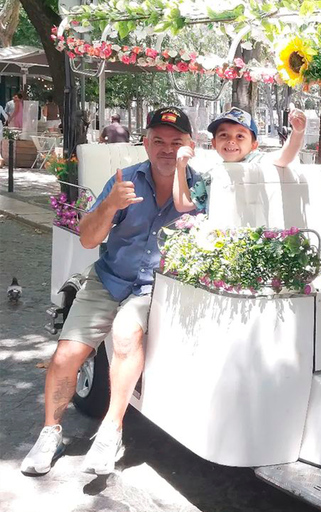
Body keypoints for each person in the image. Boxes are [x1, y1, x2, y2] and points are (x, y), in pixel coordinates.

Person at [20, 107, 202, 477]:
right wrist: (110, 204)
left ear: (189, 146)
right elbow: (88, 238)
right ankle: (50, 432)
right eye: (159, 141)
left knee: (125, 334)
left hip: (155, 289)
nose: (167, 149)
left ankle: (111, 430)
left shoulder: (198, 186)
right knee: (66, 354)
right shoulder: (125, 179)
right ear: (146, 143)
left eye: (176, 142)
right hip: (108, 278)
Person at [172, 106, 306, 213]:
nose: (231, 141)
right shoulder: (211, 176)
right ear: (214, 143)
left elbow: (284, 157)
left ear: (254, 145)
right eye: (224, 135)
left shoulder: (257, 161)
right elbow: (184, 204)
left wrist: (297, 132)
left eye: (240, 136)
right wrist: (180, 167)